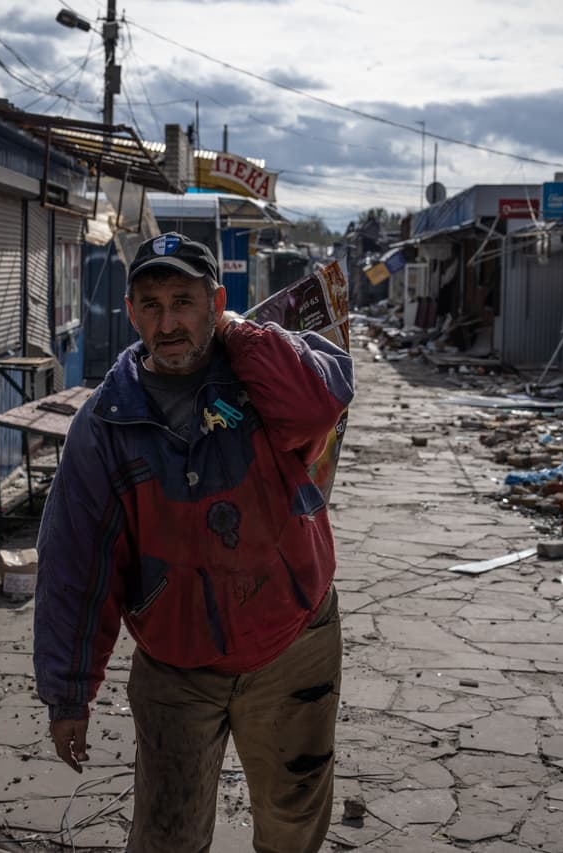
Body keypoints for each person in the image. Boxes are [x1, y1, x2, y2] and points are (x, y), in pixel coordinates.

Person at [33, 232, 355, 853]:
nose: (168, 322)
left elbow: (319, 405)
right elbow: (77, 566)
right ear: (131, 313)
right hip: (176, 665)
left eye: (184, 301)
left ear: (216, 303)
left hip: (292, 643)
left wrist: (240, 334)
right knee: (166, 836)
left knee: (293, 823)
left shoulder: (261, 376)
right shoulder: (104, 423)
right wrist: (69, 690)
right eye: (151, 305)